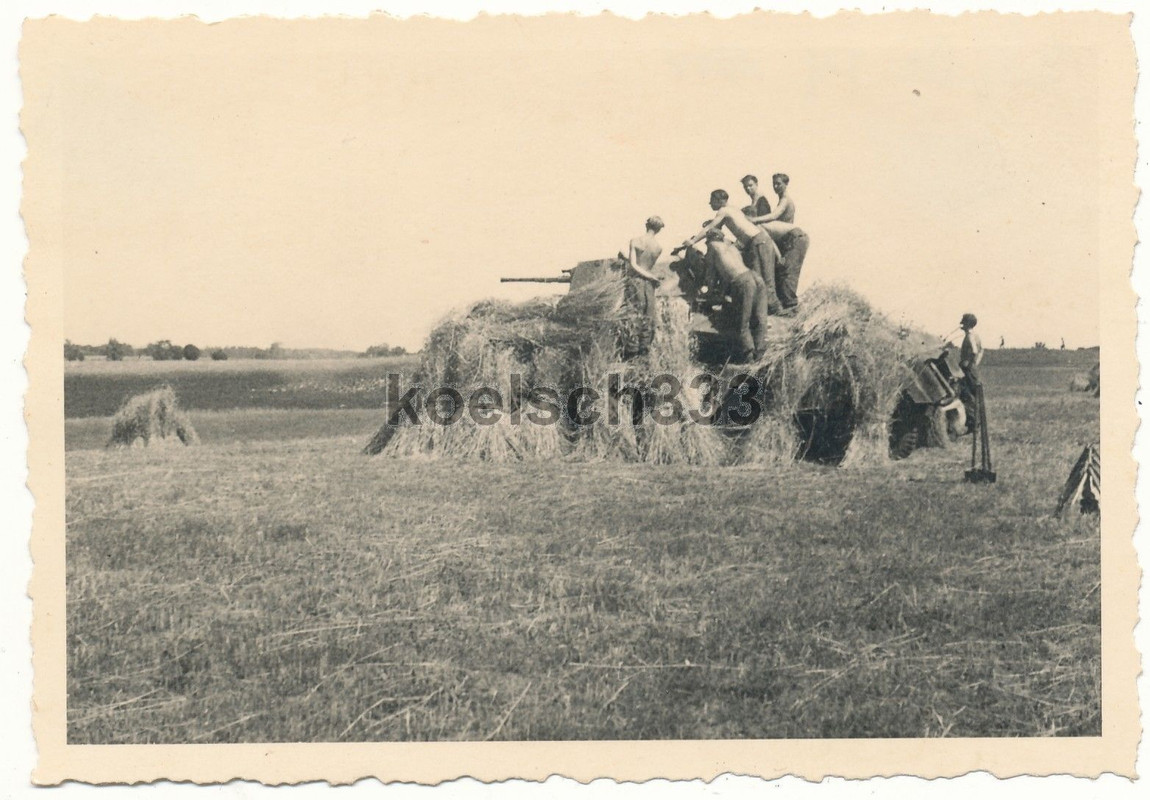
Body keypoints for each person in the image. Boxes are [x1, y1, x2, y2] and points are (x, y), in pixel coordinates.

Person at [673, 189, 782, 314]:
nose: (710, 203)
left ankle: (775, 308)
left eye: (712, 200)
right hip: (758, 241)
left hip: (758, 242)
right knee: (759, 277)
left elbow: (710, 228)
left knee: (764, 277)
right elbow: (714, 230)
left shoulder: (723, 211)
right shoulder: (733, 209)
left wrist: (693, 241)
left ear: (719, 200)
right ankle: (768, 309)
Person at [700, 228, 769, 362]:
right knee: (759, 319)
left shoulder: (713, 246)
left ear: (709, 239)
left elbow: (711, 275)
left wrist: (709, 293)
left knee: (742, 323)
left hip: (743, 282)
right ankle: (760, 355)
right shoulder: (730, 246)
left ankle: (748, 358)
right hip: (755, 278)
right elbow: (729, 272)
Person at [621, 216, 664, 355]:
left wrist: (624, 257)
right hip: (649, 284)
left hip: (636, 281)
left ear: (646, 225)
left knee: (634, 314)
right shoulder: (658, 247)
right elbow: (645, 266)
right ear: (658, 230)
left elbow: (634, 265)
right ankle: (644, 350)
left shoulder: (636, 241)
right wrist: (651, 277)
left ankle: (631, 351)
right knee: (648, 316)